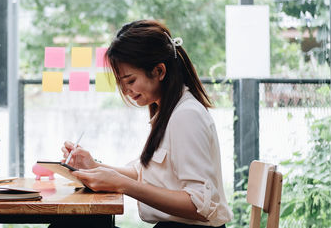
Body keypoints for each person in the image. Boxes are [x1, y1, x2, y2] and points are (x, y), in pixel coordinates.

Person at [61, 20, 233, 228]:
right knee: (79, 223)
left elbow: (200, 206)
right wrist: (93, 166)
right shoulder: (169, 111)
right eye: (121, 83)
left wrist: (122, 185)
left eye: (130, 81)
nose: (125, 91)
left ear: (159, 71)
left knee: (75, 225)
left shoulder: (186, 116)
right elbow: (146, 172)